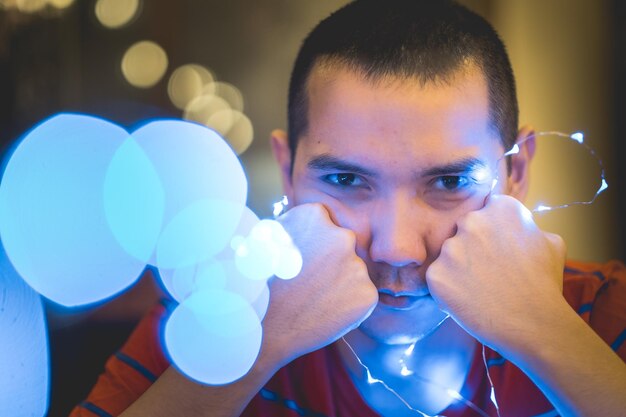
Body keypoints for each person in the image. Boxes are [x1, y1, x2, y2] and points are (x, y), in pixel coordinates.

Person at [71, 1, 626, 416]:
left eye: (451, 181)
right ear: (288, 171)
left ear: (518, 172)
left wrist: (548, 337)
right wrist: (254, 348)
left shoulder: (603, 313)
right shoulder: (201, 328)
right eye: (344, 179)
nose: (397, 249)